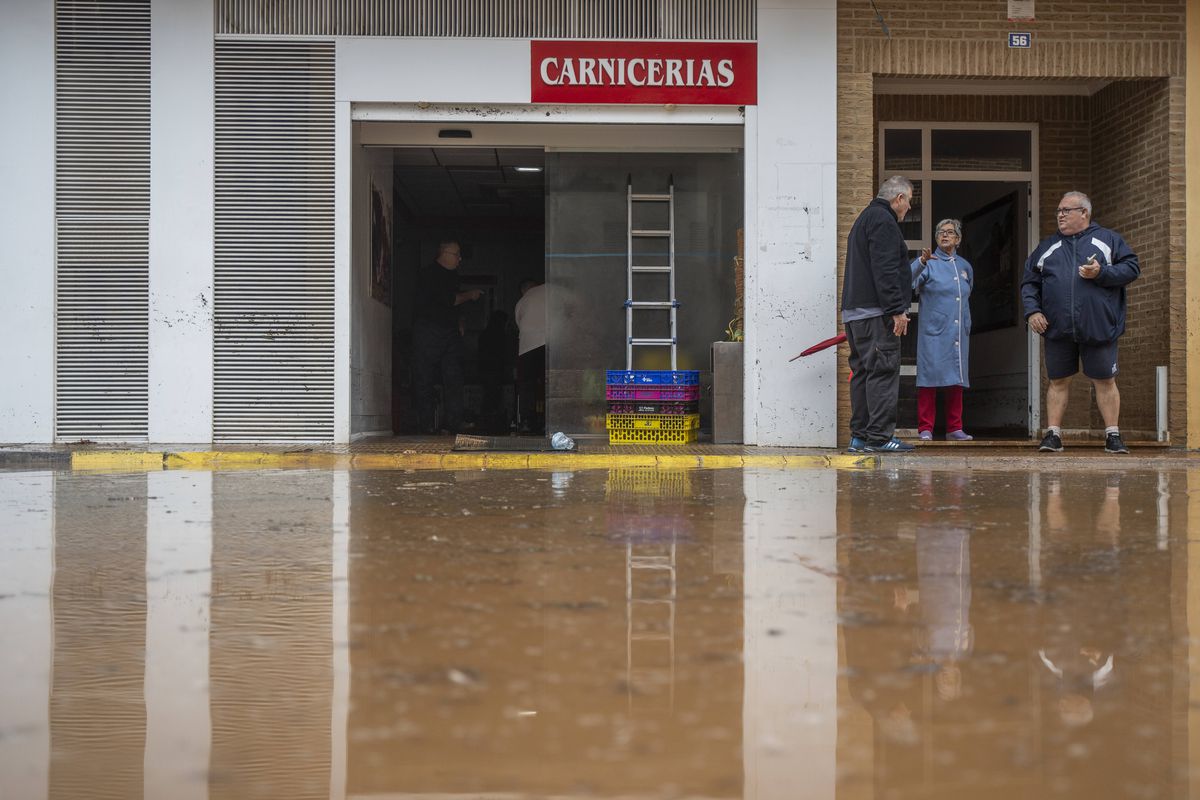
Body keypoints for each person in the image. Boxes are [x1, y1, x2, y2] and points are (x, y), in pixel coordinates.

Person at [1021, 192, 1139, 454]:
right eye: (1059, 211)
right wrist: (1032, 311)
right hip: (1058, 327)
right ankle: (1053, 435)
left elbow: (1132, 268)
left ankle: (1112, 436)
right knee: (1058, 380)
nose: (1060, 215)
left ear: (1084, 213)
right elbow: (1029, 282)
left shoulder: (1108, 240)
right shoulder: (1047, 247)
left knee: (1105, 380)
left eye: (1067, 210)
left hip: (1098, 326)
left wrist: (1102, 272)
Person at [841, 176, 916, 453]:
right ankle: (880, 438)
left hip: (855, 314)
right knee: (882, 372)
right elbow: (884, 269)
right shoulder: (884, 221)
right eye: (908, 201)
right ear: (898, 199)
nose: (908, 208)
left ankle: (860, 437)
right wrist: (896, 309)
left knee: (862, 373)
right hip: (876, 314)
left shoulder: (863, 219)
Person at [910, 219, 974, 441]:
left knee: (956, 378)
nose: (945, 236)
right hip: (934, 331)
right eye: (940, 232)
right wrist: (920, 261)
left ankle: (954, 427)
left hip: (957, 332)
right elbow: (908, 281)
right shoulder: (929, 262)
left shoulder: (965, 266)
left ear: (958, 239)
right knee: (929, 378)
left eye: (950, 233)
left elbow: (967, 294)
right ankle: (925, 427)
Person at [411, 240, 482, 434]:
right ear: (444, 253)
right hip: (429, 329)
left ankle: (454, 422)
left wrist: (460, 321)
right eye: (457, 255)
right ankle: (425, 424)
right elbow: (449, 299)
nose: (460, 259)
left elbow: (453, 304)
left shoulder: (452, 275)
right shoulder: (429, 274)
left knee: (454, 376)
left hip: (448, 330)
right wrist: (470, 295)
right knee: (424, 377)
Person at [514, 278, 547, 434]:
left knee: (527, 384)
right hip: (552, 343)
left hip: (528, 346)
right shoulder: (549, 294)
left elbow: (519, 324)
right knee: (549, 383)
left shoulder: (523, 301)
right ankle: (551, 420)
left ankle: (527, 421)